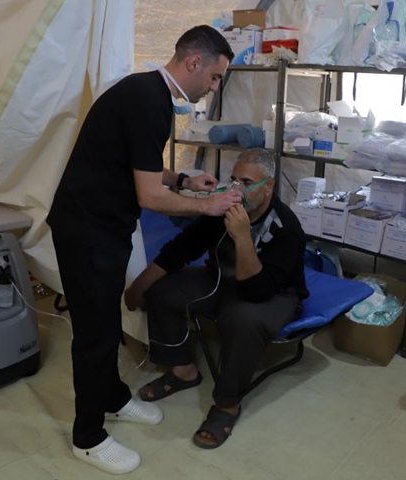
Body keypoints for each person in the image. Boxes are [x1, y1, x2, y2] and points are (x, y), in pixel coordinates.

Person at [47, 25, 241, 475]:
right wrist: (208, 205)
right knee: (94, 334)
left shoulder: (149, 94)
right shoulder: (147, 100)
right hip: (87, 230)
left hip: (105, 228)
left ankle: (113, 398)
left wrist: (185, 180)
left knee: (106, 322)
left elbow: (141, 167)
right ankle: (88, 437)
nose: (212, 88)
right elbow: (150, 198)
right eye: (214, 78)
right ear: (194, 63)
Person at [124, 148, 310, 450]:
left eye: (245, 182)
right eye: (233, 179)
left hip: (271, 294)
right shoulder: (223, 209)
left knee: (242, 319)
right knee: (162, 291)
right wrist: (140, 286)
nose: (236, 188)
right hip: (222, 279)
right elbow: (181, 249)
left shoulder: (286, 228)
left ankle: (227, 405)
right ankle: (183, 370)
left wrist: (243, 237)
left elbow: (257, 291)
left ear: (268, 186)